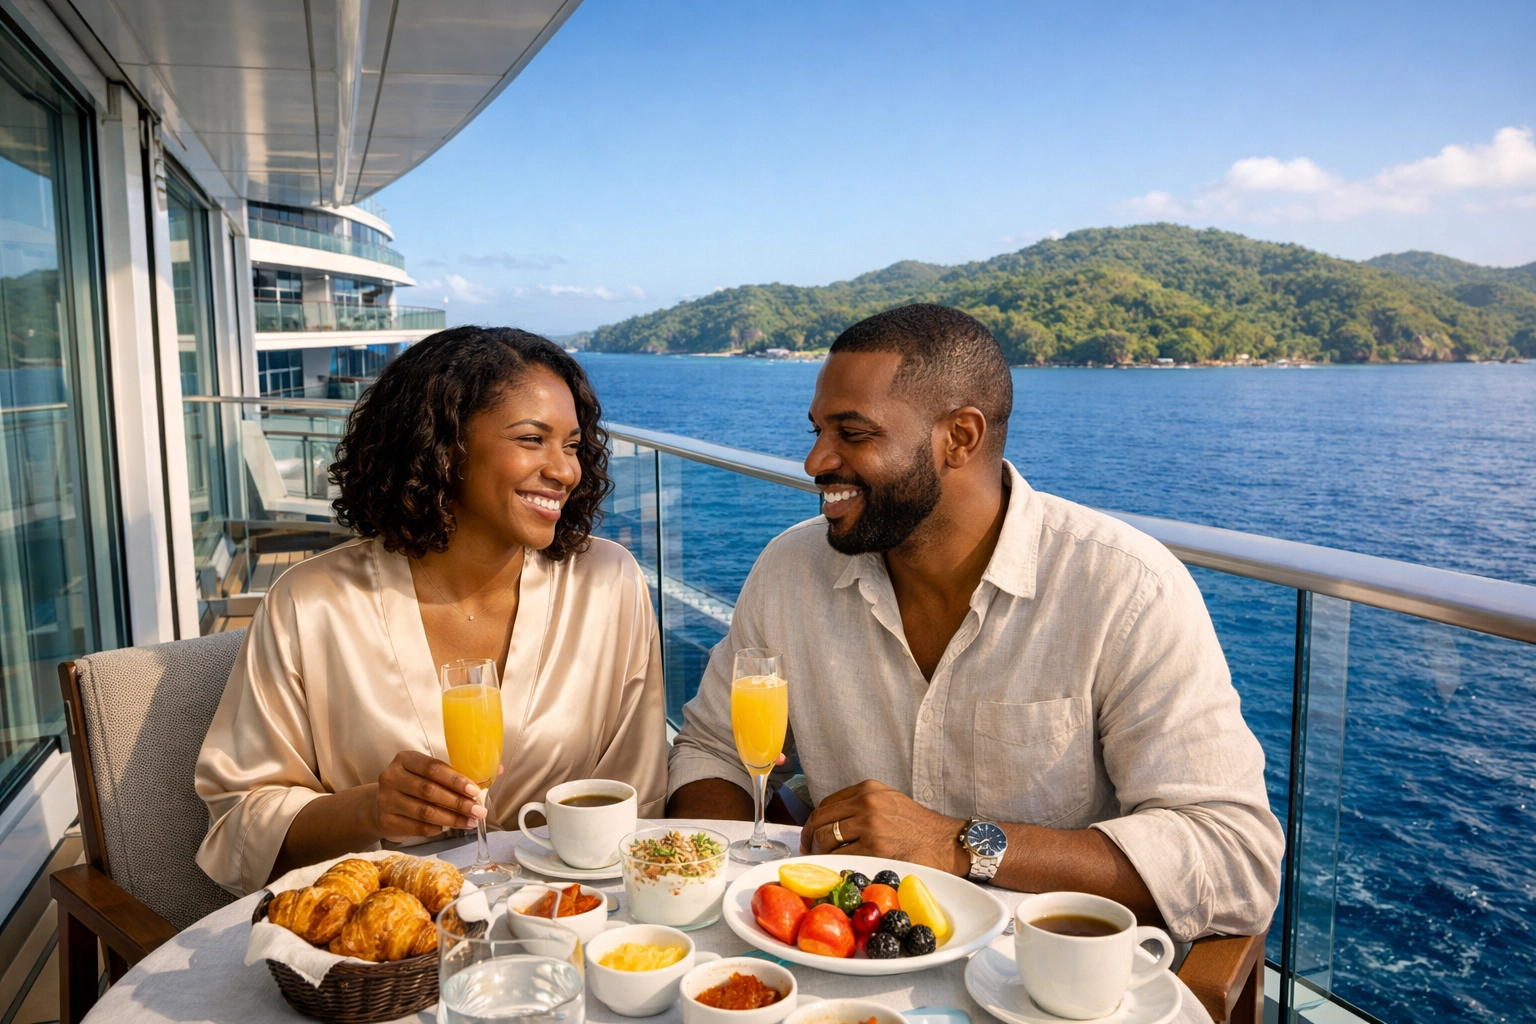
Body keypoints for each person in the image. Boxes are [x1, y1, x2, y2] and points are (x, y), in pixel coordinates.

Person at [668, 304, 1284, 941]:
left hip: (1043, 976)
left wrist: (961, 845)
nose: (815, 461)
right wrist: (745, 889)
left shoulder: (1124, 589)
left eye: (852, 433)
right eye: (817, 431)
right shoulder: (791, 571)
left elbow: (1234, 857)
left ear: (960, 438)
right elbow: (713, 751)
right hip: (835, 963)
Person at [196, 327, 667, 895]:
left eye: (571, 445)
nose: (565, 470)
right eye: (531, 439)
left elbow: (640, 795)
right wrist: (370, 808)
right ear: (444, 447)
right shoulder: (311, 604)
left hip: (568, 915)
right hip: (391, 935)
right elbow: (240, 819)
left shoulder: (608, 583)